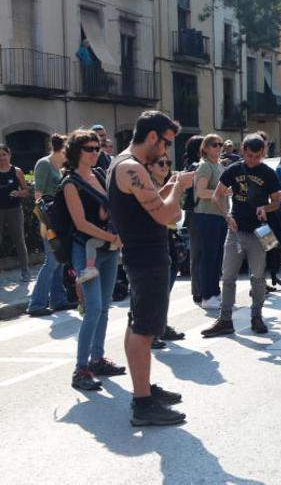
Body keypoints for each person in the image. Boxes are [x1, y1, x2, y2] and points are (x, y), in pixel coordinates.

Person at [109, 110, 193, 426]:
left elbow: (156, 207)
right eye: (166, 143)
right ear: (154, 137)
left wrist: (169, 184)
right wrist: (179, 185)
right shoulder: (132, 168)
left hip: (139, 257)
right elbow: (166, 216)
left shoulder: (122, 162)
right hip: (147, 259)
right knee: (144, 330)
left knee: (138, 324)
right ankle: (143, 404)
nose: (166, 151)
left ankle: (142, 390)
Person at [200, 134, 281, 338]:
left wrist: (266, 207)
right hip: (235, 230)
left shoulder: (268, 173)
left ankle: (257, 316)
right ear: (243, 151)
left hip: (260, 231)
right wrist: (227, 216)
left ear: (263, 153)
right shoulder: (233, 169)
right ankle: (225, 319)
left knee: (258, 278)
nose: (252, 160)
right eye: (248, 155)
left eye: (257, 156)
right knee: (228, 277)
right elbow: (216, 196)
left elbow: (277, 202)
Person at [64, 129, 124, 391]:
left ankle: (97, 358)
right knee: (93, 310)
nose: (95, 152)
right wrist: (112, 238)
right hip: (86, 251)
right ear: (77, 152)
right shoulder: (69, 183)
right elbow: (80, 223)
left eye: (97, 147)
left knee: (105, 306)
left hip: (109, 249)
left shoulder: (99, 174)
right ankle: (81, 369)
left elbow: (106, 208)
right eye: (90, 148)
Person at [28, 134, 77, 316]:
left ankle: (58, 300)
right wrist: (44, 223)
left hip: (59, 219)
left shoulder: (62, 166)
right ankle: (36, 304)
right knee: (52, 261)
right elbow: (38, 196)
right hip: (48, 220)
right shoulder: (44, 164)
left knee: (59, 260)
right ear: (63, 149)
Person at [144, 153, 187, 348]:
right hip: (155, 239)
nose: (165, 166)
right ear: (149, 167)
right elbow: (159, 215)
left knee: (166, 288)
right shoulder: (149, 187)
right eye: (159, 162)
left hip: (170, 238)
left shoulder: (168, 186)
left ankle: (160, 326)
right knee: (156, 289)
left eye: (167, 162)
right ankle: (151, 331)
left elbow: (176, 215)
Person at [191, 134, 227, 311]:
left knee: (217, 257)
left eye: (220, 144)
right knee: (208, 258)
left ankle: (215, 292)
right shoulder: (205, 166)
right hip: (207, 216)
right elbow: (201, 192)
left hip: (219, 215)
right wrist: (222, 192)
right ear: (205, 147)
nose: (218, 147)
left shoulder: (218, 165)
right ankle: (207, 295)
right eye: (214, 144)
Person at [0, 144, 30, 282]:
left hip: (14, 210)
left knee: (19, 240)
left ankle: (25, 271)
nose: (1, 158)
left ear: (9, 155)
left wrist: (18, 193)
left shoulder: (17, 171)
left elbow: (26, 191)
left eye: (4, 154)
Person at [182, 135, 204, 305]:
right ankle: (199, 290)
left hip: (195, 213)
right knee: (198, 254)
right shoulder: (196, 167)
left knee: (199, 254)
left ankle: (201, 289)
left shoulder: (191, 165)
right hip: (197, 214)